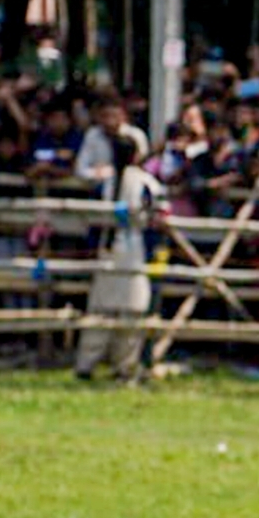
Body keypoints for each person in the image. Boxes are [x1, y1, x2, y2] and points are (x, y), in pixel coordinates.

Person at [75, 132, 163, 383]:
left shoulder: (106, 181)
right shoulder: (144, 182)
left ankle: (88, 362)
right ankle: (124, 364)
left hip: (109, 249)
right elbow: (158, 215)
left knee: (100, 309)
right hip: (133, 250)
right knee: (131, 310)